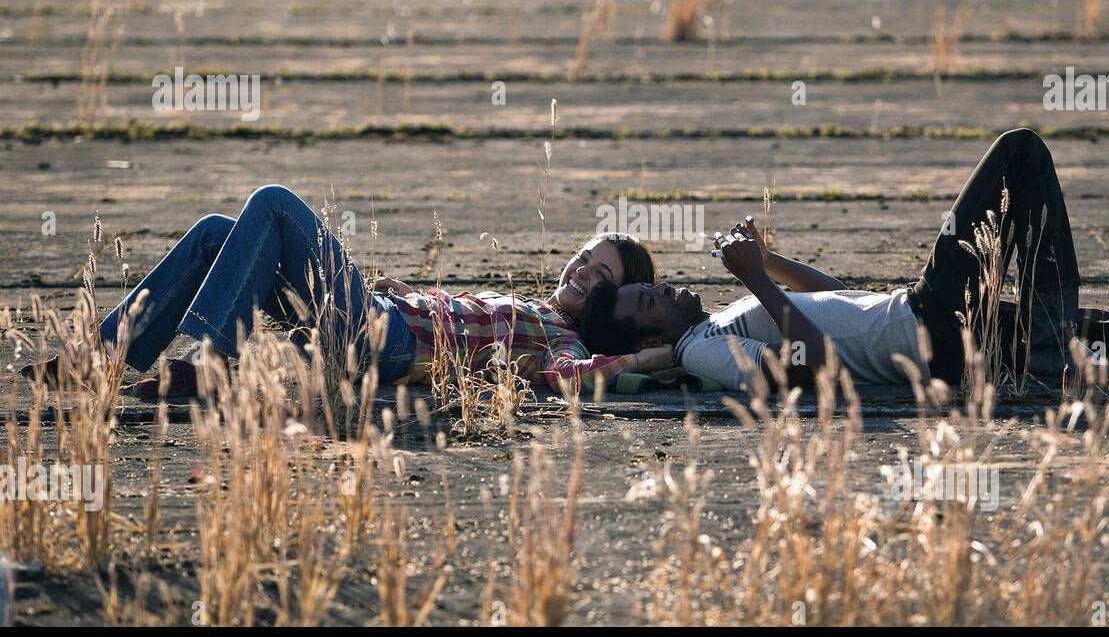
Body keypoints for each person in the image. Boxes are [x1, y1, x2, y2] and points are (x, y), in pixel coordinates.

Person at [579, 129, 1109, 392]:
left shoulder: (728, 318)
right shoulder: (702, 353)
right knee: (1018, 151)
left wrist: (776, 263)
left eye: (654, 286)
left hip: (936, 322)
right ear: (649, 339)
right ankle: (1052, 354)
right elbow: (815, 368)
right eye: (649, 301)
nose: (667, 289)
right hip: (932, 328)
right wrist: (758, 281)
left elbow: (848, 302)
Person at [21, 184, 673, 397]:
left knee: (273, 204)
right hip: (380, 315)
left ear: (617, 304)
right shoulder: (534, 306)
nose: (583, 271)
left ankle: (210, 359)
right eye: (585, 257)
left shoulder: (561, 341)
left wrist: (649, 356)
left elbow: (581, 378)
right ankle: (101, 358)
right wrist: (411, 292)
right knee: (219, 232)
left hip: (380, 341)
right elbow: (461, 318)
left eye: (602, 277)